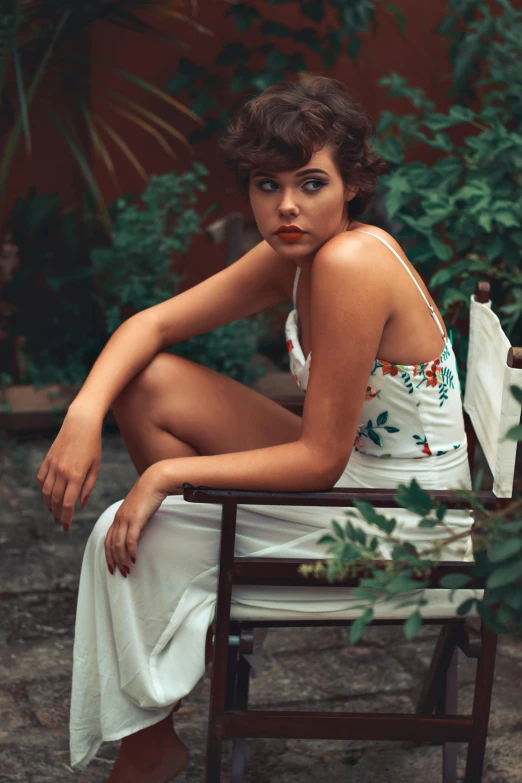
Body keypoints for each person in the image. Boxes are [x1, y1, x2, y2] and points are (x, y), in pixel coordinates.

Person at [37, 75, 471, 781]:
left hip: (407, 520)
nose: (288, 206)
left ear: (353, 185)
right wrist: (82, 413)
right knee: (147, 384)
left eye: (311, 183)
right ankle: (196, 611)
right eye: (268, 186)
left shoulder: (352, 261)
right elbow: (154, 324)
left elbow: (321, 459)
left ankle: (153, 734)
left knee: (129, 528)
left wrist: (167, 476)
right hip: (365, 471)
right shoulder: (298, 255)